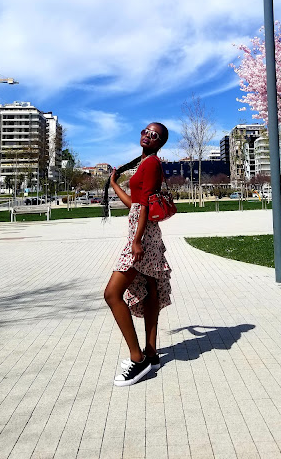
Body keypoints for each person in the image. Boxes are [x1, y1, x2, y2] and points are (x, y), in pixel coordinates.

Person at [103, 122, 172, 387]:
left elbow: (144, 205)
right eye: (145, 131)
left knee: (112, 294)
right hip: (142, 232)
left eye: (154, 135)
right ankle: (152, 354)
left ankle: (138, 358)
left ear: (160, 141)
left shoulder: (152, 163)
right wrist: (114, 184)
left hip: (142, 236)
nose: (147, 135)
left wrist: (137, 240)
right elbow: (135, 203)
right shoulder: (145, 163)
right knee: (151, 288)